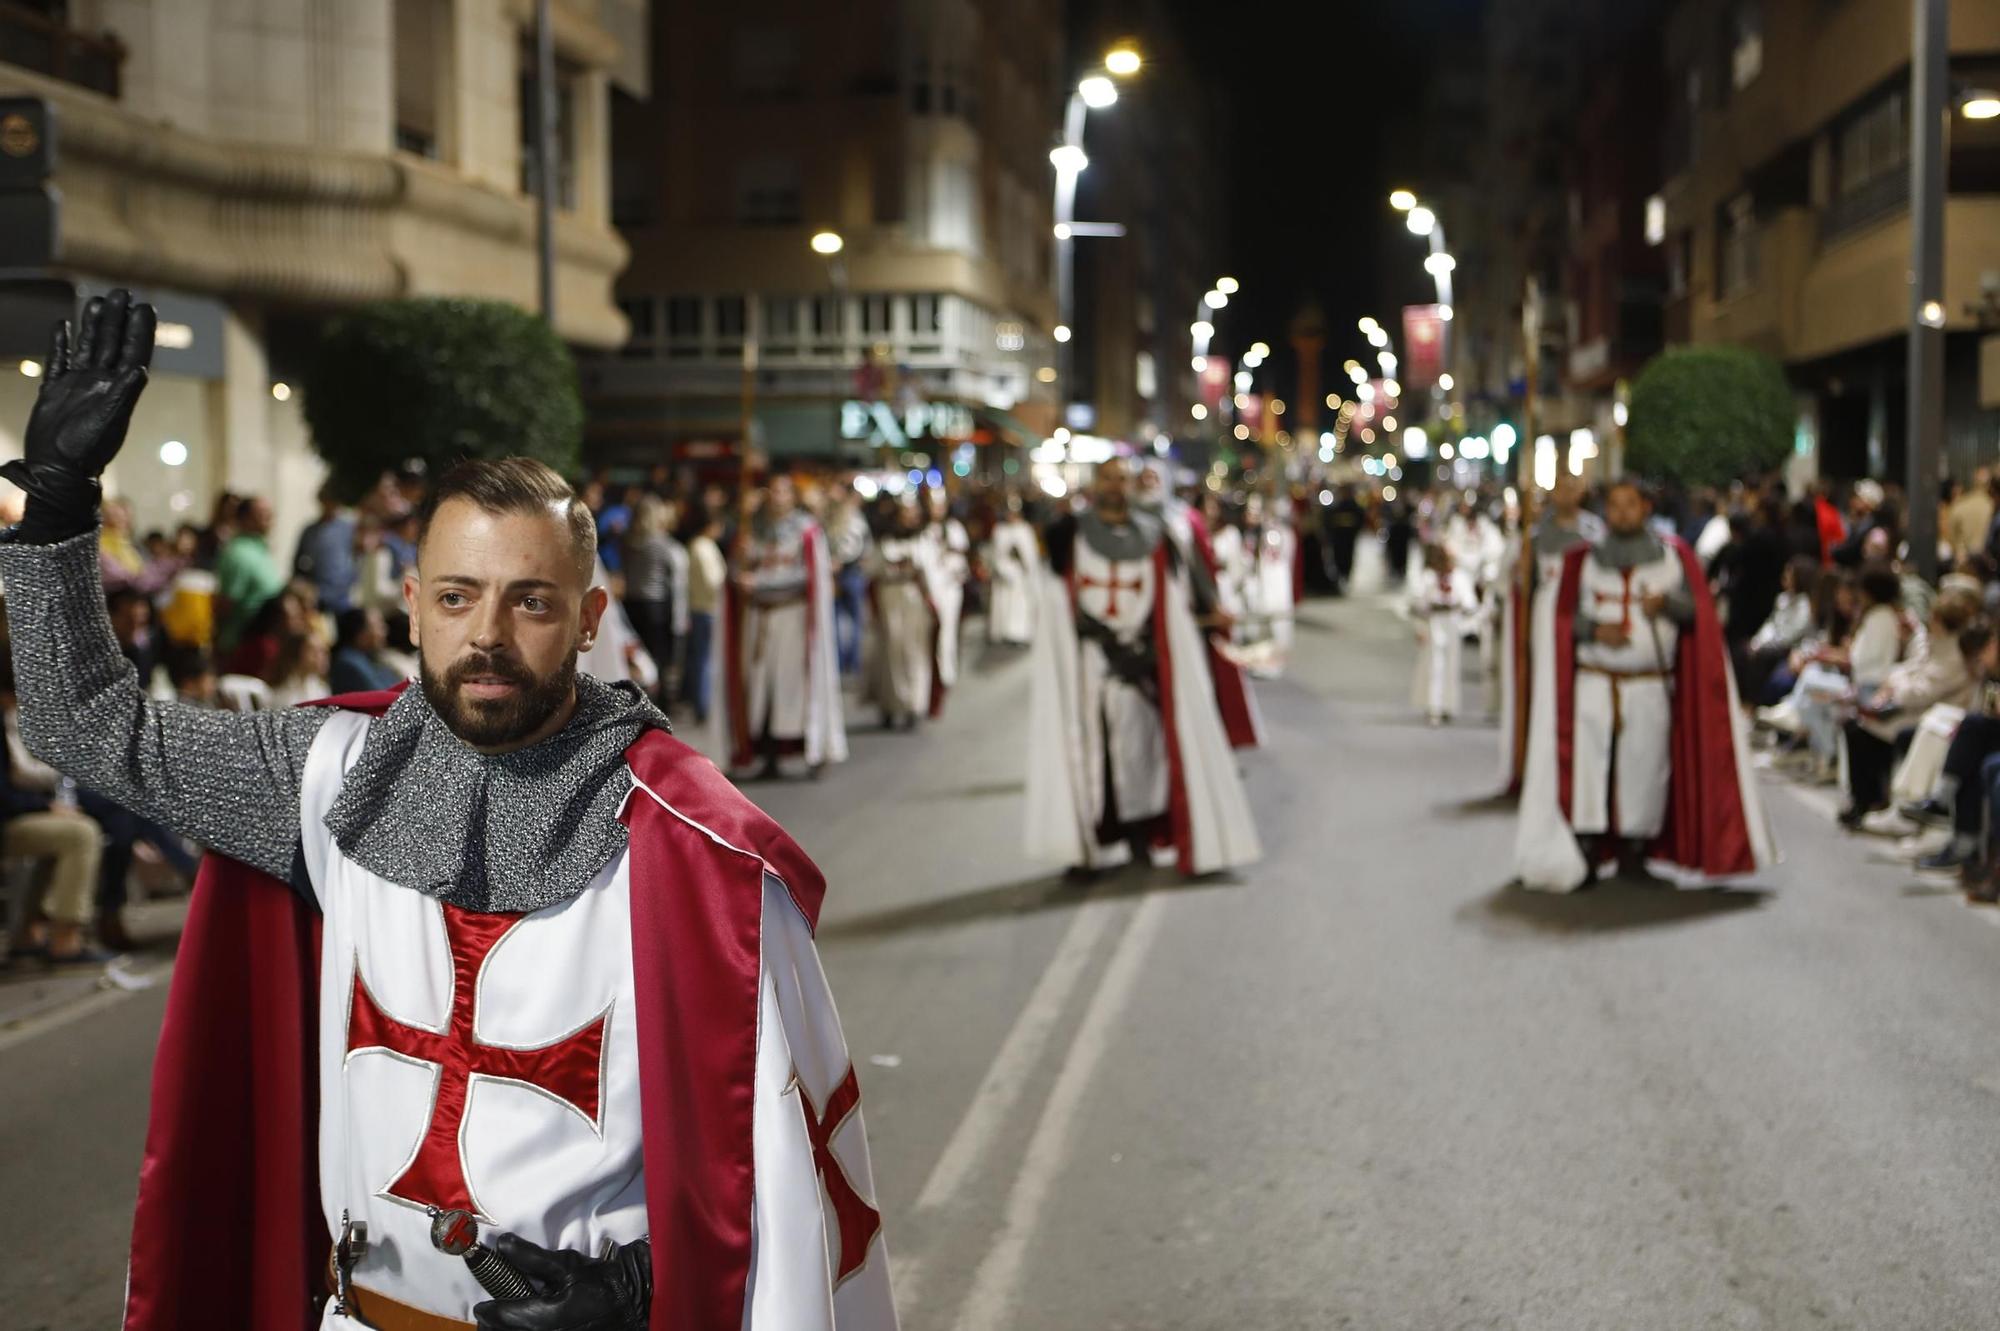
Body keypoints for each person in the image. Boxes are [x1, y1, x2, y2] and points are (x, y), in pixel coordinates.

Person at [0, 292, 896, 1328]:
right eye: (460, 595)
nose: (489, 634)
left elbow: (778, 1167)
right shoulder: (325, 771)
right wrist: (58, 504)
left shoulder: (691, 847)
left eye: (531, 599)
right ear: (413, 602)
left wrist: (643, 1284)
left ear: (588, 618)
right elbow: (83, 722)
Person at [1515, 479, 1777, 891]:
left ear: (1645, 508)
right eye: (1614, 505)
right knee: (1588, 764)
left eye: (1629, 504)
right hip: (1595, 681)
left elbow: (1698, 615)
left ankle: (1633, 852)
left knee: (1645, 764)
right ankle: (1584, 847)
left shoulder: (1673, 558)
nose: (1621, 512)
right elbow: (1563, 615)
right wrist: (1594, 630)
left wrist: (1667, 604)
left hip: (1649, 682)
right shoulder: (1582, 560)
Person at [1025, 456, 1261, 878]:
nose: (1115, 487)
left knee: (1144, 753)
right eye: (1108, 479)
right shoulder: (1070, 536)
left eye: (1122, 479)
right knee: (1091, 753)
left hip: (1143, 662)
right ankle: (1088, 846)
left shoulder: (1156, 536)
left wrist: (1186, 627)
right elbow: (1059, 600)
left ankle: (1142, 835)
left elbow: (1177, 595)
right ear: (1095, 484)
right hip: (1089, 664)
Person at [712, 472, 849, 779]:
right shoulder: (751, 531)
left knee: (793, 686)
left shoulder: (807, 532)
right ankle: (767, 752)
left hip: (793, 617)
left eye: (783, 492)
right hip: (759, 619)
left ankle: (810, 749)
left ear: (792, 496)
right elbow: (733, 572)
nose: (777, 498)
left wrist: (759, 580)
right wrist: (739, 570)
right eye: (772, 491)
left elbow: (808, 575)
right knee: (760, 687)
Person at [1497, 475, 1602, 789]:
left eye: (1571, 486)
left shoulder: (1594, 532)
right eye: (1559, 487)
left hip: (1582, 612)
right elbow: (1522, 587)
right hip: (1547, 617)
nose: (1565, 493)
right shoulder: (1537, 535)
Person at [1839, 597, 1981, 828]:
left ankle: (1884, 802)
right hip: (1911, 707)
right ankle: (1866, 800)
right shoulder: (1935, 643)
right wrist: (1891, 684)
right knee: (1855, 724)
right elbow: (1909, 668)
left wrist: (1893, 690)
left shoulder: (1954, 654)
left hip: (1924, 710)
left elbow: (1924, 691)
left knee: (1867, 730)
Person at [864, 497, 937, 729]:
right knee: (890, 652)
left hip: (912, 599)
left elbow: (931, 574)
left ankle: (914, 704)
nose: (910, 517)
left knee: (914, 651)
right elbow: (871, 570)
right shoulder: (884, 542)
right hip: (890, 598)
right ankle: (890, 704)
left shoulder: (923, 540)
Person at [621, 494, 683, 704]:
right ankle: (659, 701)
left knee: (638, 655)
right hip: (656, 604)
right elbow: (672, 574)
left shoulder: (627, 540)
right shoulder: (661, 543)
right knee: (659, 657)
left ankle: (637, 698)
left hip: (632, 602)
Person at [1410, 544, 1476, 726]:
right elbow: (1417, 605)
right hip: (1434, 623)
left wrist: (1459, 608)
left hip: (1452, 625)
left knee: (1451, 666)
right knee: (1434, 666)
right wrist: (1420, 628)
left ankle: (1448, 705)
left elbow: (1470, 604)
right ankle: (1434, 706)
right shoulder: (1428, 578)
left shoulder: (1460, 578)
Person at [214, 493, 287, 652]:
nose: (269, 519)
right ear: (245, 519)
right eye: (262, 514)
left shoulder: (260, 549)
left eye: (270, 514)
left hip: (263, 639)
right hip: (242, 644)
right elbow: (226, 603)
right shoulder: (238, 553)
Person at [682, 503, 726, 725]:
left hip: (699, 608)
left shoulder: (696, 546)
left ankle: (702, 702)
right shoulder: (704, 547)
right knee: (706, 660)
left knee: (702, 658)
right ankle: (704, 704)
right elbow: (713, 581)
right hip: (708, 609)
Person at [985, 493, 1041, 647]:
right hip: (1004, 576)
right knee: (1004, 604)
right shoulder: (1000, 530)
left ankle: (1020, 634)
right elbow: (995, 554)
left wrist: (1021, 559)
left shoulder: (1025, 530)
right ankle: (1003, 633)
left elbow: (1030, 556)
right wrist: (1002, 565)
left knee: (1019, 605)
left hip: (1020, 577)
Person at [827, 489, 873, 677]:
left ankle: (846, 661)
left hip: (847, 572)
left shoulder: (844, 518)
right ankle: (846, 662)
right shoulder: (849, 518)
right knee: (845, 620)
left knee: (847, 620)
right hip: (846, 572)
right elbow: (860, 546)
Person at [294, 483, 359, 614]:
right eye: (327, 500)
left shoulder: (347, 529)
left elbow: (357, 557)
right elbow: (298, 563)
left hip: (341, 596)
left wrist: (350, 582)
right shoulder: (310, 531)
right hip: (316, 596)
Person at [330, 606, 405, 694]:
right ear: (361, 635)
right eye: (379, 626)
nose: (385, 631)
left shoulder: (371, 658)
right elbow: (384, 696)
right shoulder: (348, 664)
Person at [1324, 484, 1366, 595]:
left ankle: (1346, 575)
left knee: (1348, 556)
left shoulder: (1354, 506)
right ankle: (1339, 576)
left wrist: (1355, 531)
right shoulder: (1336, 505)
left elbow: (1360, 518)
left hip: (1348, 536)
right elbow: (1329, 520)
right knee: (1337, 556)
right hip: (1338, 536)